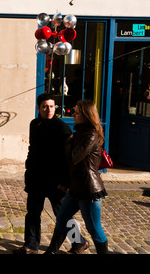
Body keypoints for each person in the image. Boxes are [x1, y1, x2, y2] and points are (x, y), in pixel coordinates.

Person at [14, 93, 89, 254]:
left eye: (52, 106)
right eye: (45, 106)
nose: (49, 109)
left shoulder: (62, 127)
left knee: (62, 214)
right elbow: (32, 148)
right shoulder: (34, 124)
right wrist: (28, 166)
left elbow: (68, 159)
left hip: (56, 181)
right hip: (36, 178)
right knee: (32, 213)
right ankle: (31, 245)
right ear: (38, 108)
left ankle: (79, 242)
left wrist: (65, 181)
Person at [45, 99, 109, 254]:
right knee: (62, 218)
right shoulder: (80, 133)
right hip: (76, 187)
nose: (73, 114)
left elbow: (74, 158)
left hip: (89, 189)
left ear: (86, 115)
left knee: (94, 228)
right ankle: (50, 252)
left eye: (77, 112)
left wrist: (68, 142)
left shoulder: (90, 135)